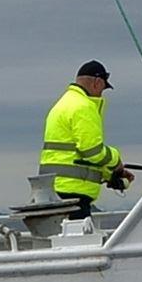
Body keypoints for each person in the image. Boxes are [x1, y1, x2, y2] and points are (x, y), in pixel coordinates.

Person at [37, 59, 128, 216]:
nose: (101, 93)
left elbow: (71, 156)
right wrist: (116, 160)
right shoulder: (84, 107)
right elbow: (93, 152)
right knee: (79, 238)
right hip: (74, 193)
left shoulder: (62, 104)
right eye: (103, 88)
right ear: (97, 83)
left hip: (52, 190)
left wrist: (109, 175)